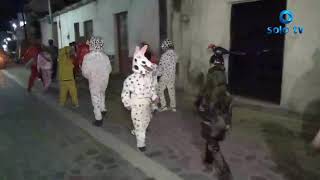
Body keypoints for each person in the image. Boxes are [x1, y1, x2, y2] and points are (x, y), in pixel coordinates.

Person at [195, 44, 234, 180]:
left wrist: (198, 104)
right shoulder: (224, 77)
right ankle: (208, 162)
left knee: (212, 143)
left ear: (212, 64)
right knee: (210, 139)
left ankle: (225, 173)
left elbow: (203, 94)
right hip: (223, 117)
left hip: (213, 116)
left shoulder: (211, 77)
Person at [121, 45, 158, 152]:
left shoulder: (148, 77)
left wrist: (154, 97)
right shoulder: (130, 79)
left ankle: (139, 130)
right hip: (136, 103)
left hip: (147, 103)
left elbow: (151, 88)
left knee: (147, 119)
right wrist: (127, 103)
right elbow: (125, 92)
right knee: (138, 123)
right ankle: (141, 143)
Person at [82, 37, 112, 127]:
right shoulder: (105, 56)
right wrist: (104, 75)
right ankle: (103, 109)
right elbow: (110, 69)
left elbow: (85, 72)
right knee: (102, 93)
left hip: (94, 81)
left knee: (95, 98)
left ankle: (98, 118)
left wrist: (90, 77)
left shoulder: (87, 57)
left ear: (91, 45)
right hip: (104, 80)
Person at [156, 39, 178, 112]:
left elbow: (161, 68)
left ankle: (163, 106)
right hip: (172, 76)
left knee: (160, 90)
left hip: (165, 76)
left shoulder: (164, 56)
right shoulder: (175, 54)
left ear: (165, 47)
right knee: (171, 91)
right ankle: (173, 107)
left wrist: (156, 74)